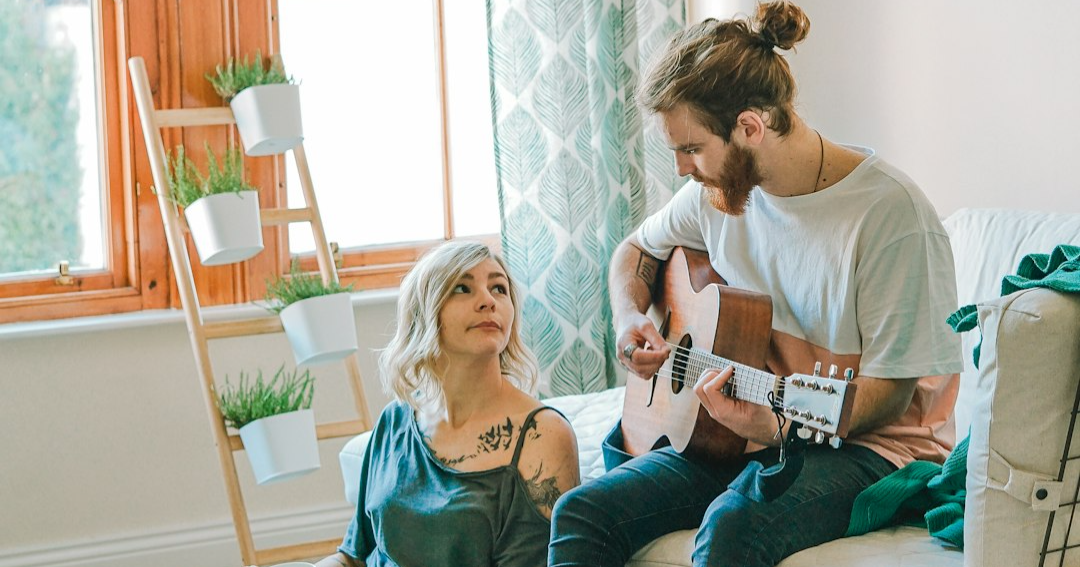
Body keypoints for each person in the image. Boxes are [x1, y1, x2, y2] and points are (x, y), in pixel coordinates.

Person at [548, 2, 964, 566]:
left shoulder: (890, 216)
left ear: (750, 127)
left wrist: (776, 424)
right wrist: (629, 319)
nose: (682, 169)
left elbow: (888, 394)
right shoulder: (716, 196)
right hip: (746, 429)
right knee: (581, 511)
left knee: (733, 526)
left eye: (691, 149)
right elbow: (637, 250)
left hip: (875, 450)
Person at [316, 240, 579, 567]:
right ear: (424, 312)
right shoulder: (395, 421)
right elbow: (351, 558)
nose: (488, 301)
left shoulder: (543, 436)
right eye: (462, 288)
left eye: (498, 288)